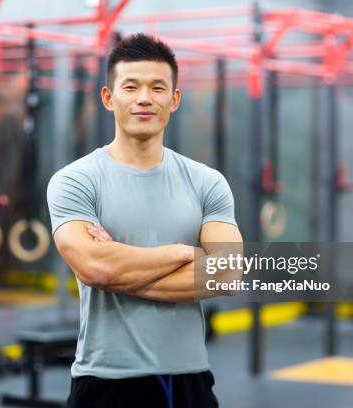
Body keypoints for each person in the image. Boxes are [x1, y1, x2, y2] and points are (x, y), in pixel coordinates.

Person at [47, 33, 243, 408]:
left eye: (157, 87)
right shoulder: (76, 180)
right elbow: (93, 265)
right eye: (131, 86)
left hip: (189, 381)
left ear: (174, 99)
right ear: (108, 97)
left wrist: (116, 270)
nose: (144, 98)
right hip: (104, 380)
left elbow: (228, 273)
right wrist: (183, 253)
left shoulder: (206, 182)